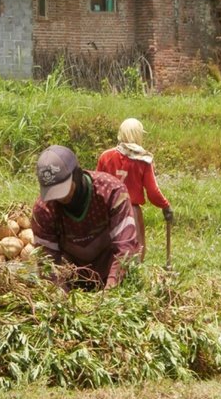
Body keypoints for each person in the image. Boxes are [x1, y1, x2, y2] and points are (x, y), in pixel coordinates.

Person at [31, 145, 140, 290]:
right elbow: (47, 261)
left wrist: (111, 293)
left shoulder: (111, 192)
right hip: (73, 279)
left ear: (77, 174)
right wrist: (61, 297)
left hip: (112, 273)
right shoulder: (44, 209)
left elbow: (125, 247)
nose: (59, 197)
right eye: (53, 192)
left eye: (63, 189)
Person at [96, 117, 173, 259]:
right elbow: (152, 191)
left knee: (108, 248)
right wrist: (165, 206)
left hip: (108, 209)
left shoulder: (106, 156)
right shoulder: (143, 160)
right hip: (131, 210)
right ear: (138, 135)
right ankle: (132, 277)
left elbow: (97, 187)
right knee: (135, 250)